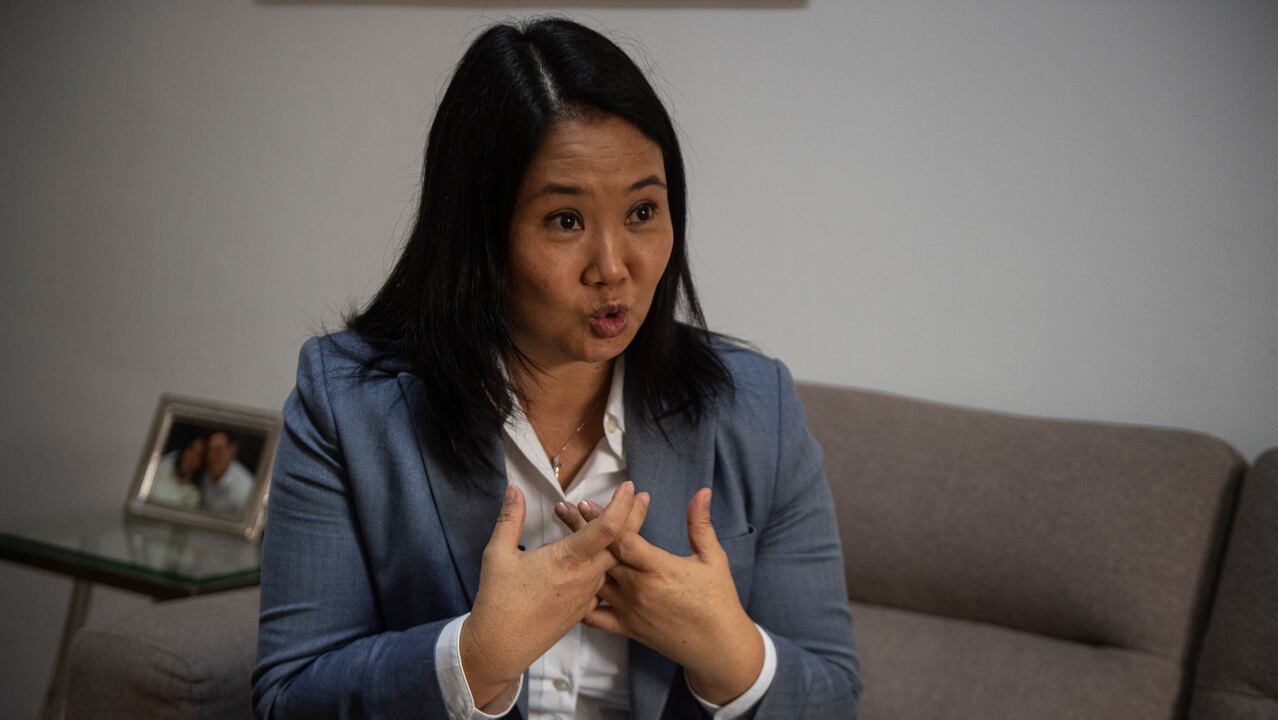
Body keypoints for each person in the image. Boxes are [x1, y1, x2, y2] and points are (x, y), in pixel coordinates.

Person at [253, 17, 860, 720]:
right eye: (565, 221)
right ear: (479, 233)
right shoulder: (346, 405)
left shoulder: (758, 408)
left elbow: (836, 698)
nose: (614, 267)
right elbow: (288, 698)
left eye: (642, 211)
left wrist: (731, 655)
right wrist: (473, 657)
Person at [199, 430, 255, 517]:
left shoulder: (244, 490)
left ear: (232, 450)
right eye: (210, 450)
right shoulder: (206, 473)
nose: (212, 456)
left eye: (218, 450)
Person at [148, 434, 205, 509]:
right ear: (184, 450)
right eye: (191, 449)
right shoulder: (162, 466)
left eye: (198, 455)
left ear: (200, 463)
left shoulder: (193, 494)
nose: (192, 457)